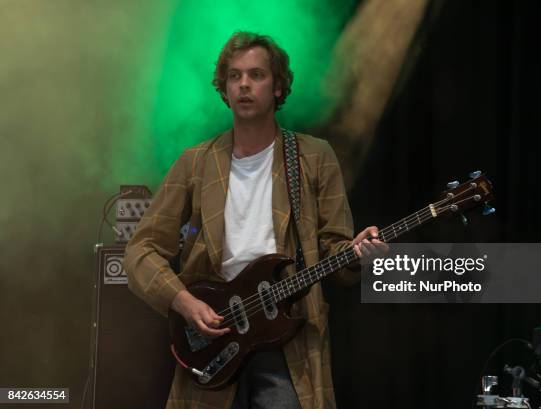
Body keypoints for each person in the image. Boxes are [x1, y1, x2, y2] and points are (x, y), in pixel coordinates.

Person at [124, 31, 387, 409]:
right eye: (234, 76)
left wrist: (359, 254)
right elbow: (141, 249)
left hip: (287, 340)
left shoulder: (314, 157)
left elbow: (335, 252)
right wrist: (183, 301)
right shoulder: (196, 161)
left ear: (278, 87)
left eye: (257, 75)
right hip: (213, 335)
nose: (244, 84)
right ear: (225, 87)